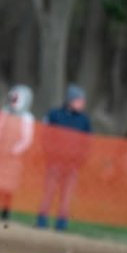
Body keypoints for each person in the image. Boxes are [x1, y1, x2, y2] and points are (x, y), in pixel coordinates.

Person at [36, 84, 92, 230]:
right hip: (55, 162)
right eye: (79, 100)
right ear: (70, 100)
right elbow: (46, 136)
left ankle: (61, 223)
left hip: (72, 164)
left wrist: (79, 161)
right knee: (49, 192)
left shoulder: (84, 121)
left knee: (67, 196)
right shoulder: (55, 115)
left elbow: (87, 144)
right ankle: (42, 220)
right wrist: (50, 155)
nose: (82, 104)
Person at [0, 85, 34, 220]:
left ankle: (5, 211)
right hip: (0, 153)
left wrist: (15, 150)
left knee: (9, 186)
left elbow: (26, 139)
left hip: (14, 158)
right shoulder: (5, 112)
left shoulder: (27, 118)